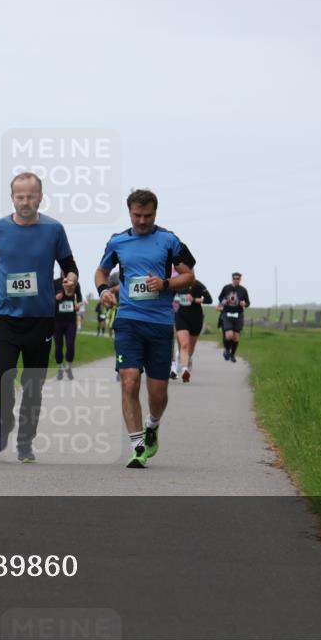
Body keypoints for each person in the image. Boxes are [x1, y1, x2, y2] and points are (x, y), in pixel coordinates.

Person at [0, 172, 79, 463]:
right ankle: (5, 419)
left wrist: (70, 281)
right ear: (12, 198)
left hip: (41, 318)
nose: (26, 202)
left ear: (41, 198)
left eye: (31, 196)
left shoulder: (54, 229)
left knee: (33, 385)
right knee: (2, 375)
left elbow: (69, 265)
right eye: (20, 196)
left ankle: (26, 441)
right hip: (5, 316)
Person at [96, 189, 195, 469]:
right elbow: (101, 272)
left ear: (155, 213)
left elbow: (189, 275)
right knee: (129, 381)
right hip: (128, 320)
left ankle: (153, 425)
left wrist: (164, 283)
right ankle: (138, 446)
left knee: (158, 392)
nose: (141, 221)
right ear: (129, 212)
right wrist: (103, 290)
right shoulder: (118, 241)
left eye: (147, 216)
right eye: (137, 215)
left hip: (160, 323)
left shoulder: (169, 240)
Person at [171, 278, 213, 382]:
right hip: (180, 317)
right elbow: (174, 301)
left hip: (195, 318)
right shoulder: (176, 284)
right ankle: (185, 370)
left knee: (190, 347)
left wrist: (194, 299)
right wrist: (173, 312)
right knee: (184, 344)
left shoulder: (197, 284)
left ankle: (187, 360)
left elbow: (209, 300)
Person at [216, 272, 251, 363]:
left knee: (236, 337)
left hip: (238, 314)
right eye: (234, 278)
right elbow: (220, 298)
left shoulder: (243, 290)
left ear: (240, 279)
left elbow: (248, 303)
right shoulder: (226, 288)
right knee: (229, 335)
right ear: (232, 279)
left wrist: (244, 304)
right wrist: (222, 301)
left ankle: (232, 354)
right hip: (227, 313)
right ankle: (227, 350)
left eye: (238, 278)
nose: (236, 280)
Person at [53, 276, 83, 380]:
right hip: (57, 320)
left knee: (70, 344)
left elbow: (79, 297)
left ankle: (68, 368)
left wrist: (78, 304)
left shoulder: (75, 283)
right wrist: (55, 298)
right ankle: (60, 369)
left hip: (70, 320)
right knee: (58, 346)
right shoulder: (55, 283)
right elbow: (48, 298)